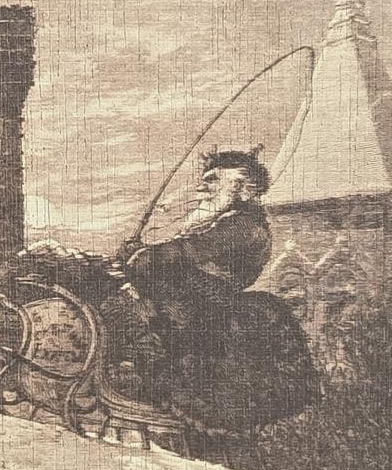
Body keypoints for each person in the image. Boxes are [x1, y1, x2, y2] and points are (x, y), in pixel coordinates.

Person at [109, 151, 316, 436]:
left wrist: (144, 257)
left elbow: (188, 251)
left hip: (208, 307)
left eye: (213, 180)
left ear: (245, 188)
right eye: (204, 180)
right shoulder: (222, 221)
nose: (202, 187)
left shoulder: (244, 226)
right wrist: (137, 255)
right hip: (191, 300)